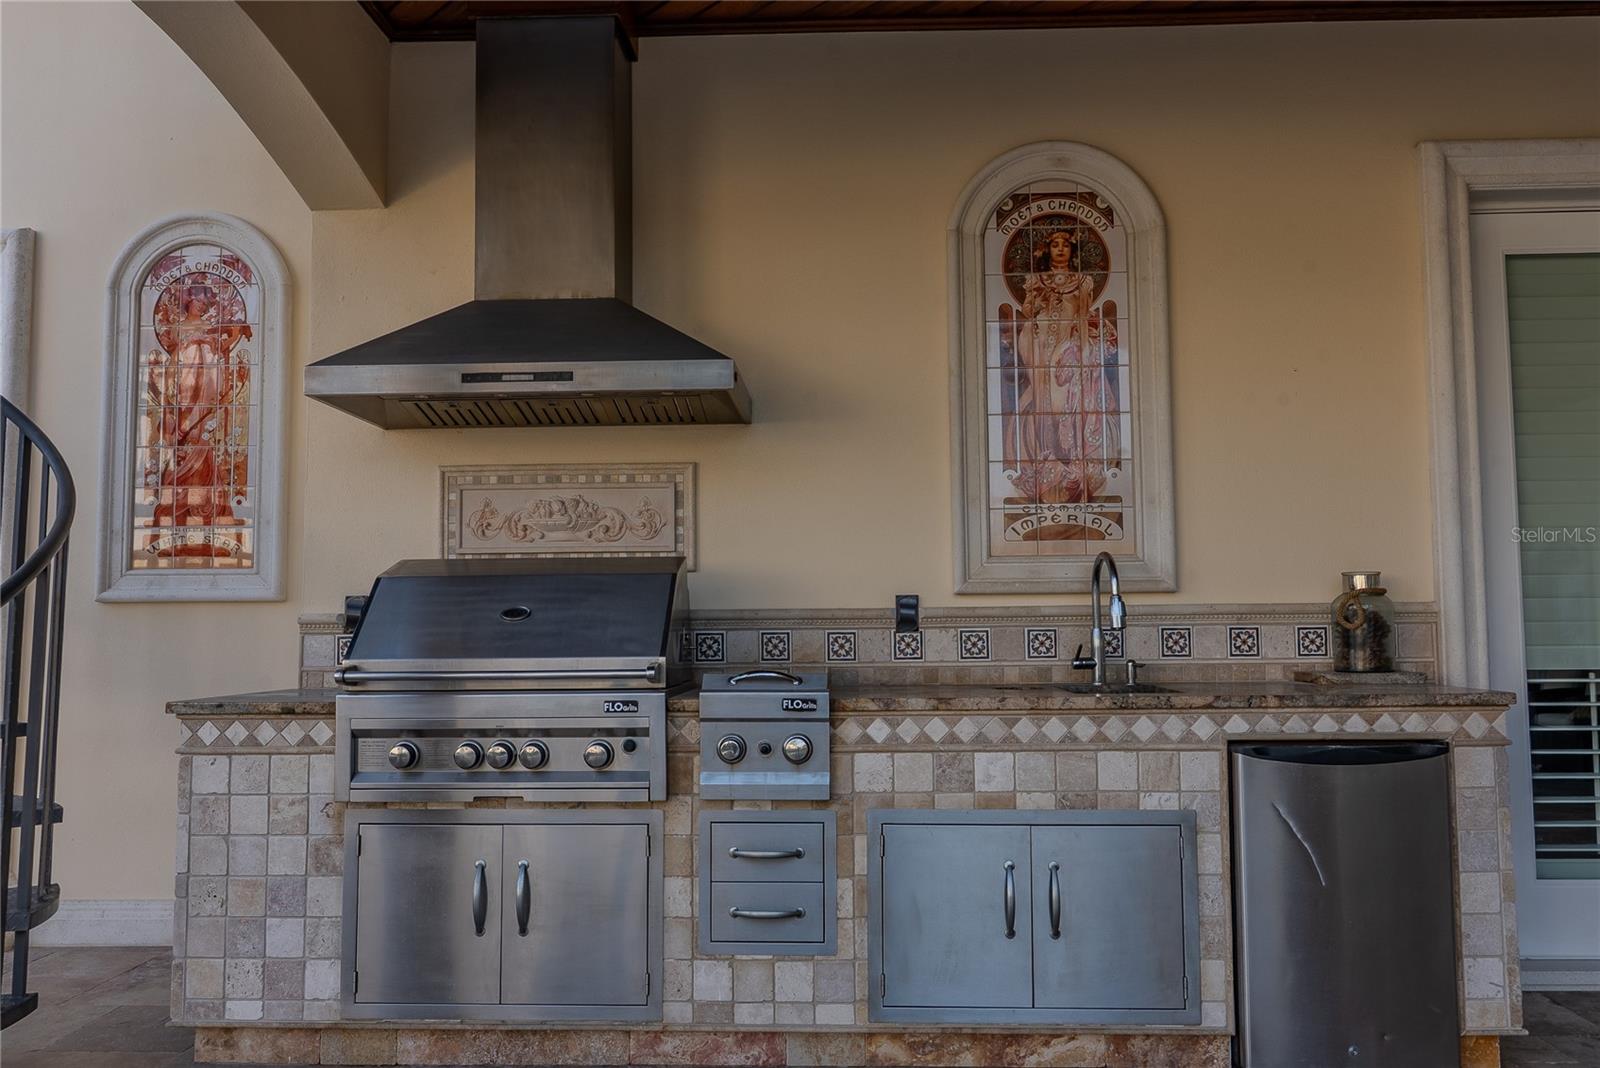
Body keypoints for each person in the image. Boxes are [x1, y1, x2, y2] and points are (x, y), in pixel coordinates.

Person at [1012, 227, 1120, 505]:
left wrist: (1080, 348)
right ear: (1047, 250)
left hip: (1066, 347)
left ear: (1073, 250)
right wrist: (1040, 298)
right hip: (1038, 344)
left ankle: (1072, 464)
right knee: (1040, 399)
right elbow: (1026, 310)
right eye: (1055, 245)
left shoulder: (1081, 281)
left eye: (1065, 245)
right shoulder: (1037, 280)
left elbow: (1083, 314)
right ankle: (1045, 460)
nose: (1060, 249)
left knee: (1069, 404)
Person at [145, 277, 251, 555]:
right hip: (185, 394)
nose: (202, 307)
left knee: (204, 449)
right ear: (189, 301)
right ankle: (173, 529)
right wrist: (202, 339)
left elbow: (222, 349)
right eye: (199, 301)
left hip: (205, 395)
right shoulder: (180, 329)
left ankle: (211, 527)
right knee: (184, 450)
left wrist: (235, 332)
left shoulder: (208, 330)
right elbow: (179, 355)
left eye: (206, 303)